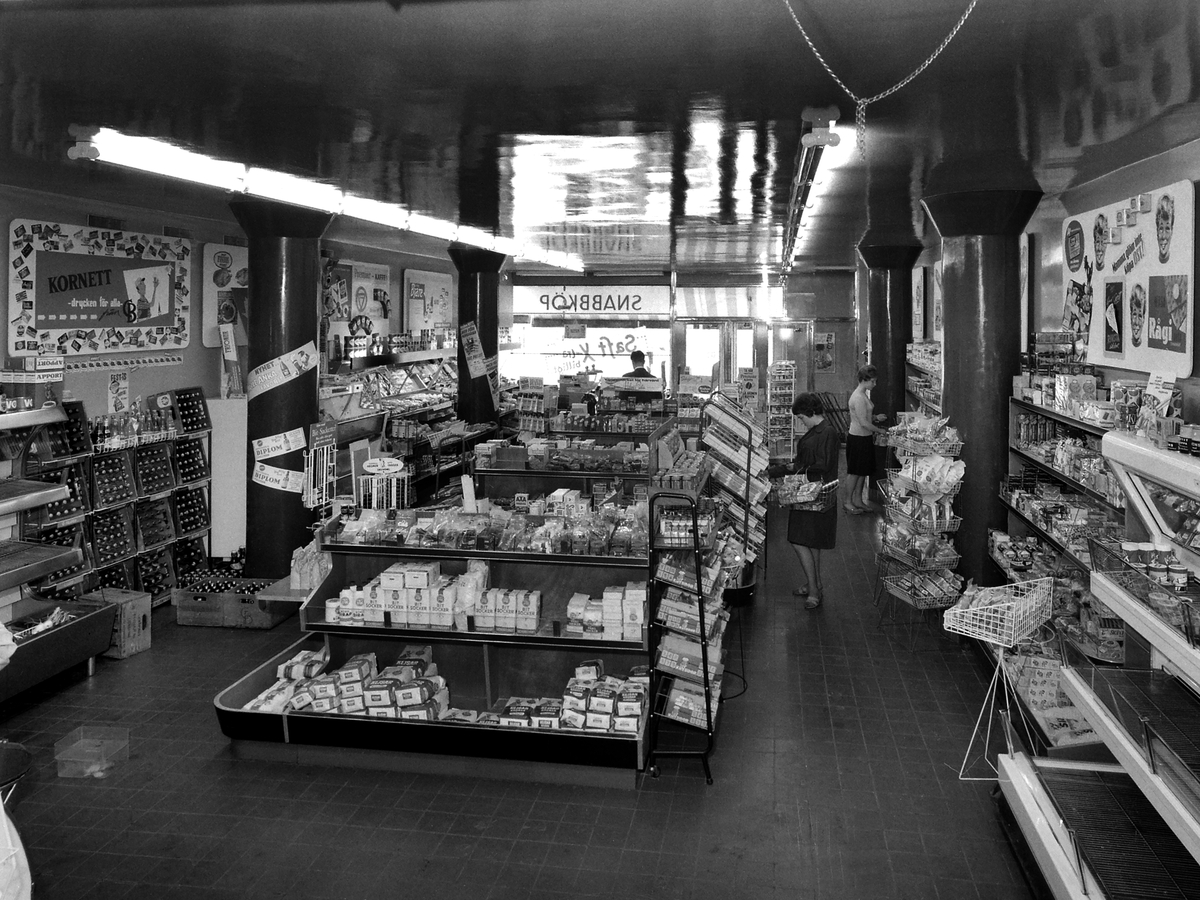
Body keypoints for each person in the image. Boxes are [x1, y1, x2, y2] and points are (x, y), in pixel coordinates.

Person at [787, 393, 839, 610]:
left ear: (809, 412)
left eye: (801, 417)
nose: (801, 421)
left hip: (813, 493)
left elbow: (823, 464)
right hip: (814, 493)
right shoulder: (822, 431)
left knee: (798, 540)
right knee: (812, 541)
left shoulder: (826, 432)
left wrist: (794, 468)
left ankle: (815, 592)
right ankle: (813, 584)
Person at [845, 364, 887, 514]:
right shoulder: (858, 397)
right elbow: (863, 422)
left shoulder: (862, 395)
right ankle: (848, 501)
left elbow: (863, 417)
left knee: (862, 471)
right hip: (858, 438)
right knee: (855, 471)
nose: (874, 384)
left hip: (863, 437)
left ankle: (857, 499)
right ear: (864, 380)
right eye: (873, 381)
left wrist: (875, 417)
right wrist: (880, 430)